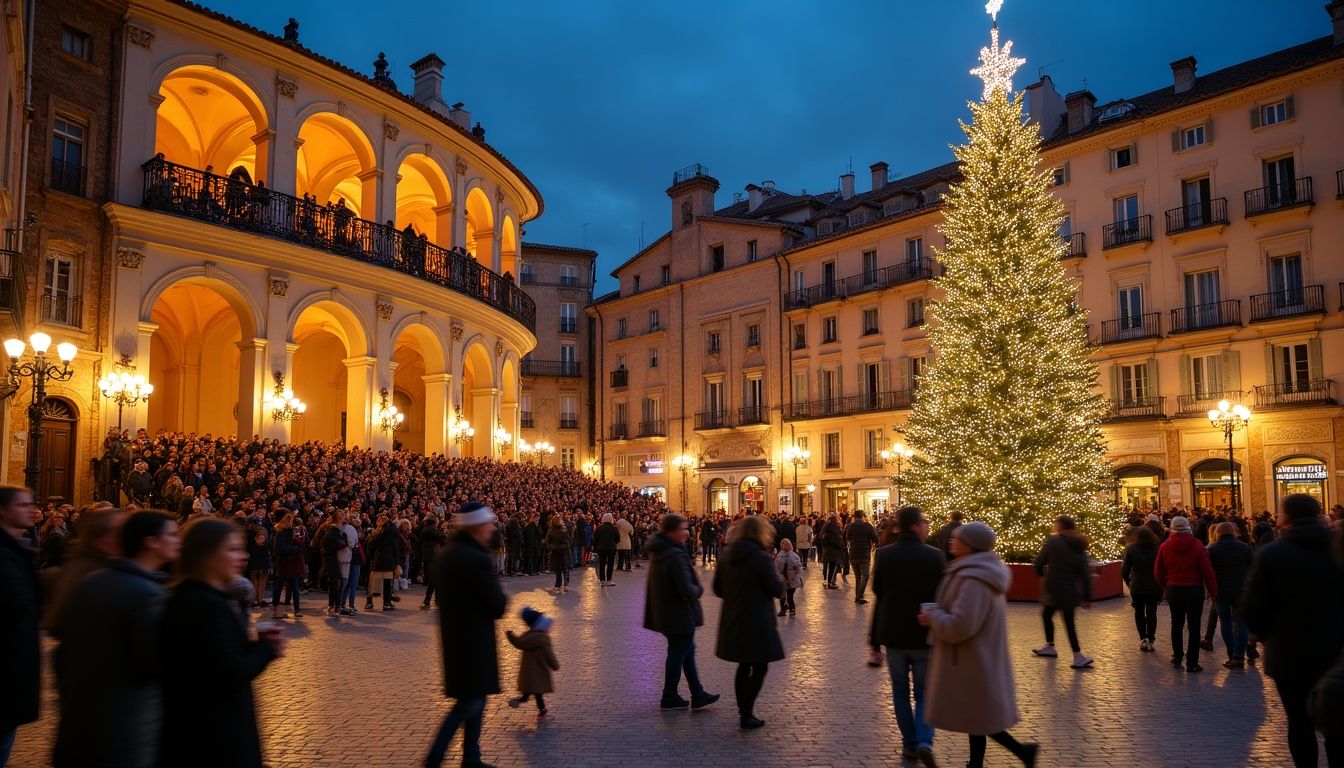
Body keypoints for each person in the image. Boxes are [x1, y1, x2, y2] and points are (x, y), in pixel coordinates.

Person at [53, 510, 180, 768]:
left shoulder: (91, 581)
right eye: (172, 534)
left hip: (81, 719)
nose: (178, 540)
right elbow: (152, 665)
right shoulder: (147, 594)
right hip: (126, 726)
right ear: (151, 542)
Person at [160, 518, 286, 768]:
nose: (243, 556)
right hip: (216, 734)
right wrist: (266, 649)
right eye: (232, 549)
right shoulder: (209, 605)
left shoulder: (185, 596)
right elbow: (227, 671)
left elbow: (212, 657)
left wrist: (252, 645)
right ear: (207, 555)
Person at [920, 522, 1039, 768]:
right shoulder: (974, 571)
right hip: (975, 657)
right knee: (977, 715)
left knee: (978, 716)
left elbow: (961, 625)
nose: (951, 540)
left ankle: (1020, 752)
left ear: (971, 544)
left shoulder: (974, 578)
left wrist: (933, 617)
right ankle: (997, 759)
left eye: (958, 538)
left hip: (972, 657)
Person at [1244, 494, 1344, 767]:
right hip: (1336, 648)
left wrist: (1265, 635)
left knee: (1299, 722)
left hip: (1289, 653)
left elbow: (1253, 606)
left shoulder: (1272, 553)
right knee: (1337, 718)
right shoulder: (1337, 547)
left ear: (1286, 517)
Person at [425, 501, 508, 768]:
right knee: (468, 704)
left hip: (455, 639)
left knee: (474, 701)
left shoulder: (447, 554)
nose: (492, 528)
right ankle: (434, 759)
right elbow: (496, 605)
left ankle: (471, 757)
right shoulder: (476, 558)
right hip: (474, 642)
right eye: (488, 523)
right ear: (475, 527)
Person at [872, 507, 945, 767]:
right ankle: (924, 740)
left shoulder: (884, 555)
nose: (927, 527)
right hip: (924, 634)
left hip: (893, 634)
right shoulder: (935, 556)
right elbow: (942, 594)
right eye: (924, 522)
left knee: (900, 692)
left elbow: (877, 590)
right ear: (914, 525)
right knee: (925, 692)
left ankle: (909, 745)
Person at [714, 515, 785, 730]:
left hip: (733, 617)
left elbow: (718, 588)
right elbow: (775, 589)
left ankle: (743, 710)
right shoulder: (761, 558)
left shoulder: (726, 555)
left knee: (743, 665)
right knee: (760, 666)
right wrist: (780, 580)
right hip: (757, 618)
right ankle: (747, 712)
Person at [643, 513, 719, 711]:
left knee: (686, 652)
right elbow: (686, 588)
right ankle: (669, 696)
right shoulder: (674, 555)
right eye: (683, 529)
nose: (687, 533)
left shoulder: (661, 551)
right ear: (672, 531)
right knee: (679, 653)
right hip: (678, 613)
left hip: (668, 612)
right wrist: (699, 589)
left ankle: (697, 693)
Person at [0, 485, 39, 765]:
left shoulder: (17, 548)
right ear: (3, 510)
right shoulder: (5, 554)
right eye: (22, 505)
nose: (31, 510)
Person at [1155, 515, 1217, 673]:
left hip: (1174, 589)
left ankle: (1177, 656)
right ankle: (1192, 662)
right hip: (1194, 589)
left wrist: (1165, 586)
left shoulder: (1165, 546)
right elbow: (1207, 571)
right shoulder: (1197, 545)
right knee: (1194, 626)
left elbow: (1158, 571)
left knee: (1176, 624)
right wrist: (1213, 590)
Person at [1031, 516, 1094, 669]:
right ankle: (1052, 646)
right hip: (1069, 589)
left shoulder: (1054, 541)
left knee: (1052, 617)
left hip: (1053, 586)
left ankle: (1075, 655)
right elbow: (1085, 572)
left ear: (1060, 525)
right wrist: (1087, 596)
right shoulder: (1080, 544)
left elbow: (1039, 561)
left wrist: (1042, 573)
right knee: (1059, 618)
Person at [1206, 521, 1252, 668]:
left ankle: (1232, 654)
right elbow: (1253, 567)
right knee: (1242, 622)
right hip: (1241, 589)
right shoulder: (1244, 547)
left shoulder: (1211, 549)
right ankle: (1239, 655)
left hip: (1221, 590)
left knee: (1225, 621)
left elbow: (1207, 570)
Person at [505, 606, 560, 721]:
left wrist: (511, 636)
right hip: (538, 671)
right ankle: (536, 707)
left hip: (529, 671)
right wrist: (555, 665)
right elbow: (549, 654)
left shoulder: (529, 636)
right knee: (537, 692)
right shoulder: (543, 639)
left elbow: (520, 643)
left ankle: (524, 701)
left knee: (533, 690)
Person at [1121, 526, 1161, 652]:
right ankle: (1151, 639)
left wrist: (1128, 581)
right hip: (1154, 584)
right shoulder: (1157, 548)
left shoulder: (1131, 548)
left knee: (1139, 612)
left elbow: (1125, 570)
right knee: (1152, 612)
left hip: (1137, 585)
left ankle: (1143, 639)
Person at [270, 510, 305, 619]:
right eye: (288, 519)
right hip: (283, 562)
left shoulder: (293, 531)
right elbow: (280, 548)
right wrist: (296, 548)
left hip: (292, 562)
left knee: (294, 586)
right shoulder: (280, 532)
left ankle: (297, 609)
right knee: (279, 585)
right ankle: (275, 609)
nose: (291, 521)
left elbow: (300, 544)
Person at [845, 509, 879, 604]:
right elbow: (876, 538)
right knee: (866, 575)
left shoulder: (850, 526)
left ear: (854, 516)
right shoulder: (867, 526)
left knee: (858, 576)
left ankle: (858, 596)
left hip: (853, 554)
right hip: (864, 554)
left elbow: (847, 538)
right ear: (862, 516)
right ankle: (859, 595)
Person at [773, 538, 803, 617]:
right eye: (784, 544)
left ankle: (792, 609)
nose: (786, 545)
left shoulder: (794, 555)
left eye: (787, 544)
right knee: (782, 596)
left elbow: (798, 566)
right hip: (782, 579)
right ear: (781, 546)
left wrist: (796, 571)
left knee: (790, 597)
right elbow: (777, 567)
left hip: (792, 579)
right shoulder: (779, 555)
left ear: (790, 545)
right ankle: (783, 609)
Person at [545, 515, 572, 594]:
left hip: (556, 551)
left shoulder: (551, 530)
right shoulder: (563, 529)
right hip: (563, 550)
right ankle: (565, 585)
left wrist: (550, 547)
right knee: (565, 568)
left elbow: (547, 542)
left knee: (558, 569)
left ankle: (558, 585)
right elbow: (569, 540)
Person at [594, 512, 619, 586]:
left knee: (602, 564)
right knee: (610, 564)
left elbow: (595, 539)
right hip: (611, 548)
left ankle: (602, 580)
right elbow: (618, 539)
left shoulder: (599, 528)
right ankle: (609, 580)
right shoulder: (614, 528)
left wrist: (596, 546)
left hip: (601, 548)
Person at [820, 514, 844, 589]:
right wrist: (840, 545)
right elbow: (836, 540)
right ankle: (830, 582)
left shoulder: (825, 528)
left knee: (826, 566)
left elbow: (821, 538)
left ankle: (825, 581)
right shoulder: (835, 529)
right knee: (832, 567)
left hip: (826, 550)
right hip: (833, 551)